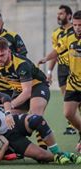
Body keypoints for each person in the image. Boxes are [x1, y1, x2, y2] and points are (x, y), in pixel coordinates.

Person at [0, 87, 81, 164]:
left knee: (36, 120)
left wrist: (8, 114)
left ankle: (58, 153)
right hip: (7, 138)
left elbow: (4, 97)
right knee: (42, 156)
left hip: (13, 122)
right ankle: (65, 156)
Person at [0, 37, 50, 149]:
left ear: (9, 51)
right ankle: (15, 148)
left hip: (37, 86)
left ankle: (45, 147)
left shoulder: (21, 64)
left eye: (2, 55)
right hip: (18, 89)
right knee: (9, 121)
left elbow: (27, 92)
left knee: (35, 114)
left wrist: (9, 107)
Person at [38, 10, 81, 153]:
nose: (77, 28)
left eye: (80, 25)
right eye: (75, 25)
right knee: (68, 113)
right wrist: (46, 58)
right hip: (74, 83)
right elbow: (58, 50)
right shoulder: (68, 37)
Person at [47, 5, 76, 135]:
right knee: (66, 97)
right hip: (62, 68)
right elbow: (56, 53)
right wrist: (49, 72)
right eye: (58, 14)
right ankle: (72, 125)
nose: (59, 16)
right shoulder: (56, 33)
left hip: (75, 66)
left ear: (69, 15)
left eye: (61, 13)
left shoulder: (76, 31)